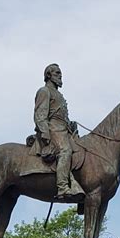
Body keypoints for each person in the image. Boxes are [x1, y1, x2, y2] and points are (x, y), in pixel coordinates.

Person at [34, 63, 84, 201]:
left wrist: (70, 124)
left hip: (64, 129)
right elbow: (40, 115)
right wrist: (45, 134)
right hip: (53, 129)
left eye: (60, 73)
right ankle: (62, 187)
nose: (60, 76)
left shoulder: (59, 95)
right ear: (49, 76)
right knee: (65, 151)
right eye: (57, 73)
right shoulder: (44, 91)